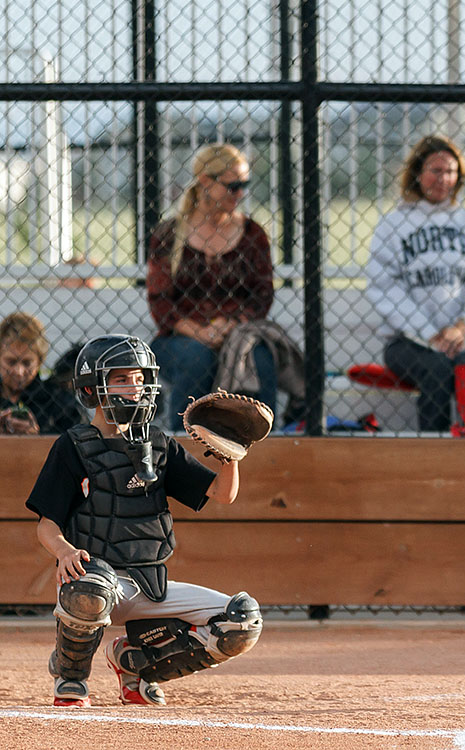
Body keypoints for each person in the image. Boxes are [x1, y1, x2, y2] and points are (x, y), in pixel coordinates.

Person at [25, 334, 263, 707]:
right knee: (89, 591)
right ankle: (70, 677)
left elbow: (221, 494)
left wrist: (230, 457)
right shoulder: (73, 445)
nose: (134, 388)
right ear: (92, 388)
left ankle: (136, 663)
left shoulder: (160, 443)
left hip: (149, 583)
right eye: (121, 379)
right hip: (93, 580)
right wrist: (65, 552)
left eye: (139, 379)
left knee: (240, 622)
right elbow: (46, 524)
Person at [364, 135, 465, 432]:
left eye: (451, 171)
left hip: (464, 337)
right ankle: (435, 453)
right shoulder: (394, 224)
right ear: (417, 173)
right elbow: (384, 286)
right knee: (437, 369)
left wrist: (462, 326)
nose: (444, 179)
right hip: (408, 342)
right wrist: (429, 334)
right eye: (435, 170)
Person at [147, 143, 277, 431]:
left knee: (259, 359)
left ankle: (264, 442)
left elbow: (262, 295)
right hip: (180, 336)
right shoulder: (169, 234)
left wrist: (229, 326)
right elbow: (160, 301)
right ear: (206, 181)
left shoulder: (252, 234)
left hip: (238, 332)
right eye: (233, 186)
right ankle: (183, 443)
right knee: (197, 359)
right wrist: (200, 332)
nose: (240, 193)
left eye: (245, 184)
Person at [0, 312, 85, 434]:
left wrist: (37, 437)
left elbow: (81, 447)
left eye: (27, 363)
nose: (19, 372)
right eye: (11, 362)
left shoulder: (61, 402)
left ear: (39, 362)